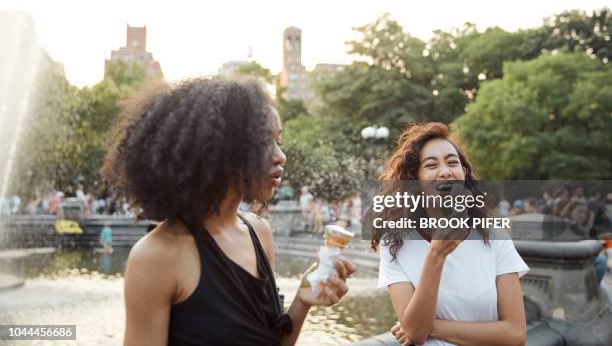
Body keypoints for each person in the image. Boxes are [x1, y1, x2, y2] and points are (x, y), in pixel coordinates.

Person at [102, 77, 355, 346]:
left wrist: (303, 300)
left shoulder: (259, 232)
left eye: (278, 141)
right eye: (264, 143)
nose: (281, 156)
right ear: (218, 151)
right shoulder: (157, 256)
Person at [373, 122, 528, 346]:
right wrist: (436, 253)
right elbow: (416, 334)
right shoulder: (395, 243)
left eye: (452, 162)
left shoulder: (494, 236)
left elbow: (515, 334)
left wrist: (431, 326)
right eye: (431, 164)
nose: (445, 171)